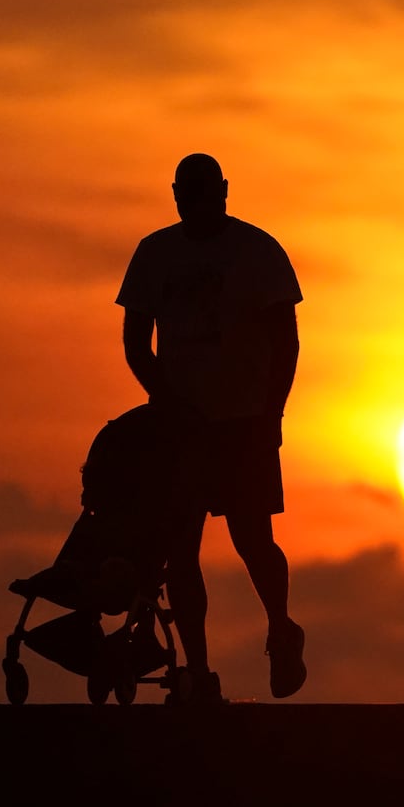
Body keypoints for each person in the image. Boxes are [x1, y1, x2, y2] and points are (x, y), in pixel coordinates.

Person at [116, 152, 307, 703]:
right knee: (181, 550)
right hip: (181, 429)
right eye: (187, 191)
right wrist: (166, 401)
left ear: (225, 189)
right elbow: (135, 343)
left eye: (206, 190)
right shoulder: (155, 253)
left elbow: (286, 342)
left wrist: (273, 411)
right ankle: (197, 672)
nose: (197, 200)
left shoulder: (259, 250)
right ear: (175, 194)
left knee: (253, 541)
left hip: (245, 422)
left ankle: (281, 627)